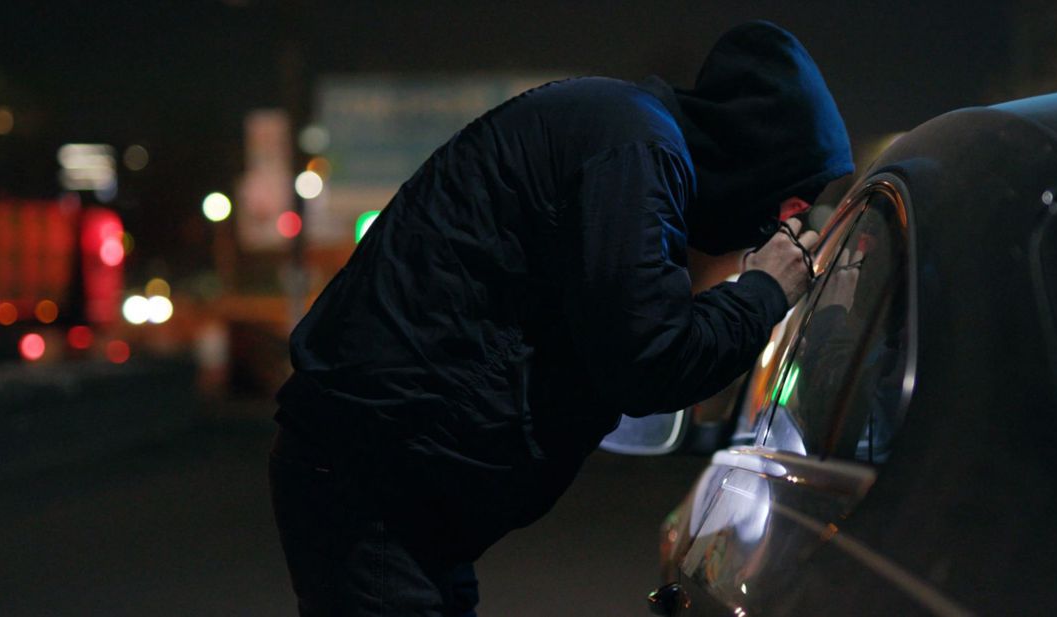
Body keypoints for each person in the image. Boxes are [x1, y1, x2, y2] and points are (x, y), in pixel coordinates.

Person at [268, 20, 853, 616]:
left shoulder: (627, 136)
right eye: (789, 199)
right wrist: (762, 292)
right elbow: (649, 358)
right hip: (380, 484)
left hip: (396, 484)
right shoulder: (635, 152)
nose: (781, 222)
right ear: (754, 154)